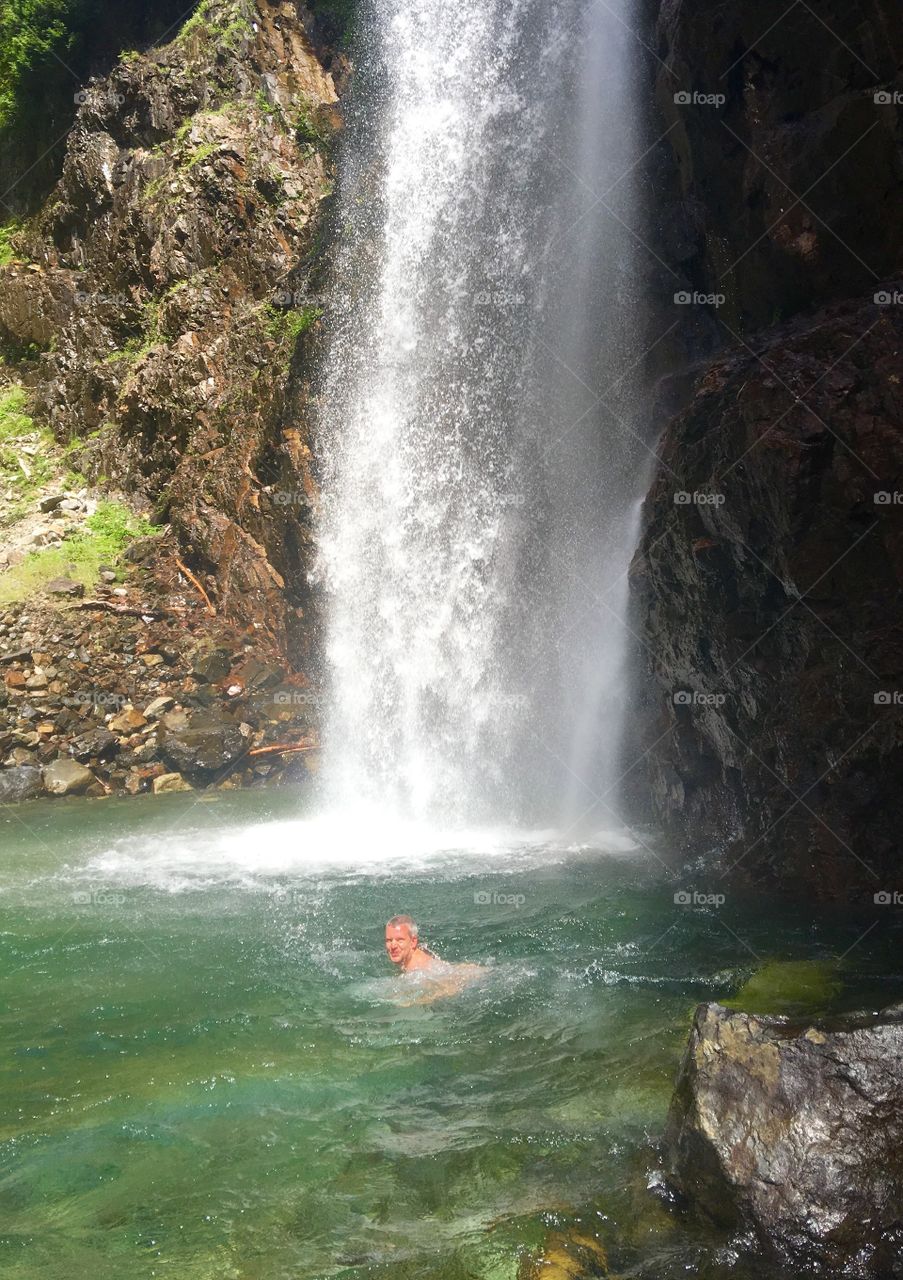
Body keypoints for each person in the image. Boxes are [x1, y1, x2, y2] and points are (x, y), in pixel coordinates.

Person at [384, 914, 483, 1002]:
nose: (393, 946)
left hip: (473, 981)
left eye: (399, 940)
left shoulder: (418, 969)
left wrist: (413, 1001)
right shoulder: (412, 959)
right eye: (389, 940)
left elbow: (450, 988)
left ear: (413, 942)